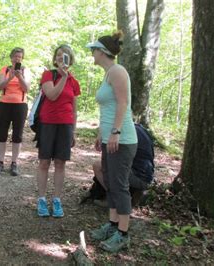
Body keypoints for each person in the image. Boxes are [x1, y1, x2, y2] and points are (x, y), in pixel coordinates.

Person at [86, 31, 138, 253]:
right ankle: (112, 224)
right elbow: (107, 107)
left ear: (102, 52)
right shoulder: (108, 73)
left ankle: (123, 234)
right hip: (110, 138)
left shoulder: (118, 71)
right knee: (110, 181)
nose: (92, 54)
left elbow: (123, 103)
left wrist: (116, 132)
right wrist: (102, 134)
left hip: (123, 139)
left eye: (93, 50)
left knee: (119, 185)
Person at [36, 44, 81, 218]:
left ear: (70, 60)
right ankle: (41, 199)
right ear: (55, 59)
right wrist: (62, 77)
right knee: (44, 162)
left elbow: (74, 109)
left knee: (60, 163)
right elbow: (52, 95)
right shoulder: (48, 75)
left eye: (66, 57)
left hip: (66, 125)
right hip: (48, 123)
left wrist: (74, 131)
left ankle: (57, 199)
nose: (62, 59)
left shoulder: (74, 82)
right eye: (59, 56)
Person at [81, 123, 155, 206]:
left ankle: (115, 200)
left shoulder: (124, 133)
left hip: (139, 177)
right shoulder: (139, 128)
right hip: (147, 176)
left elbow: (114, 159)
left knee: (98, 166)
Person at [0, 47, 31, 176]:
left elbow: (27, 88)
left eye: (19, 57)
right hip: (4, 104)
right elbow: (0, 86)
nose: (17, 59)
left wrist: (19, 77)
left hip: (20, 105)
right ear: (11, 57)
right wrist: (10, 77)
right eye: (15, 56)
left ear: (22, 58)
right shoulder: (5, 70)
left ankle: (14, 163)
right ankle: (0, 162)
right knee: (2, 134)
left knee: (17, 135)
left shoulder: (25, 70)